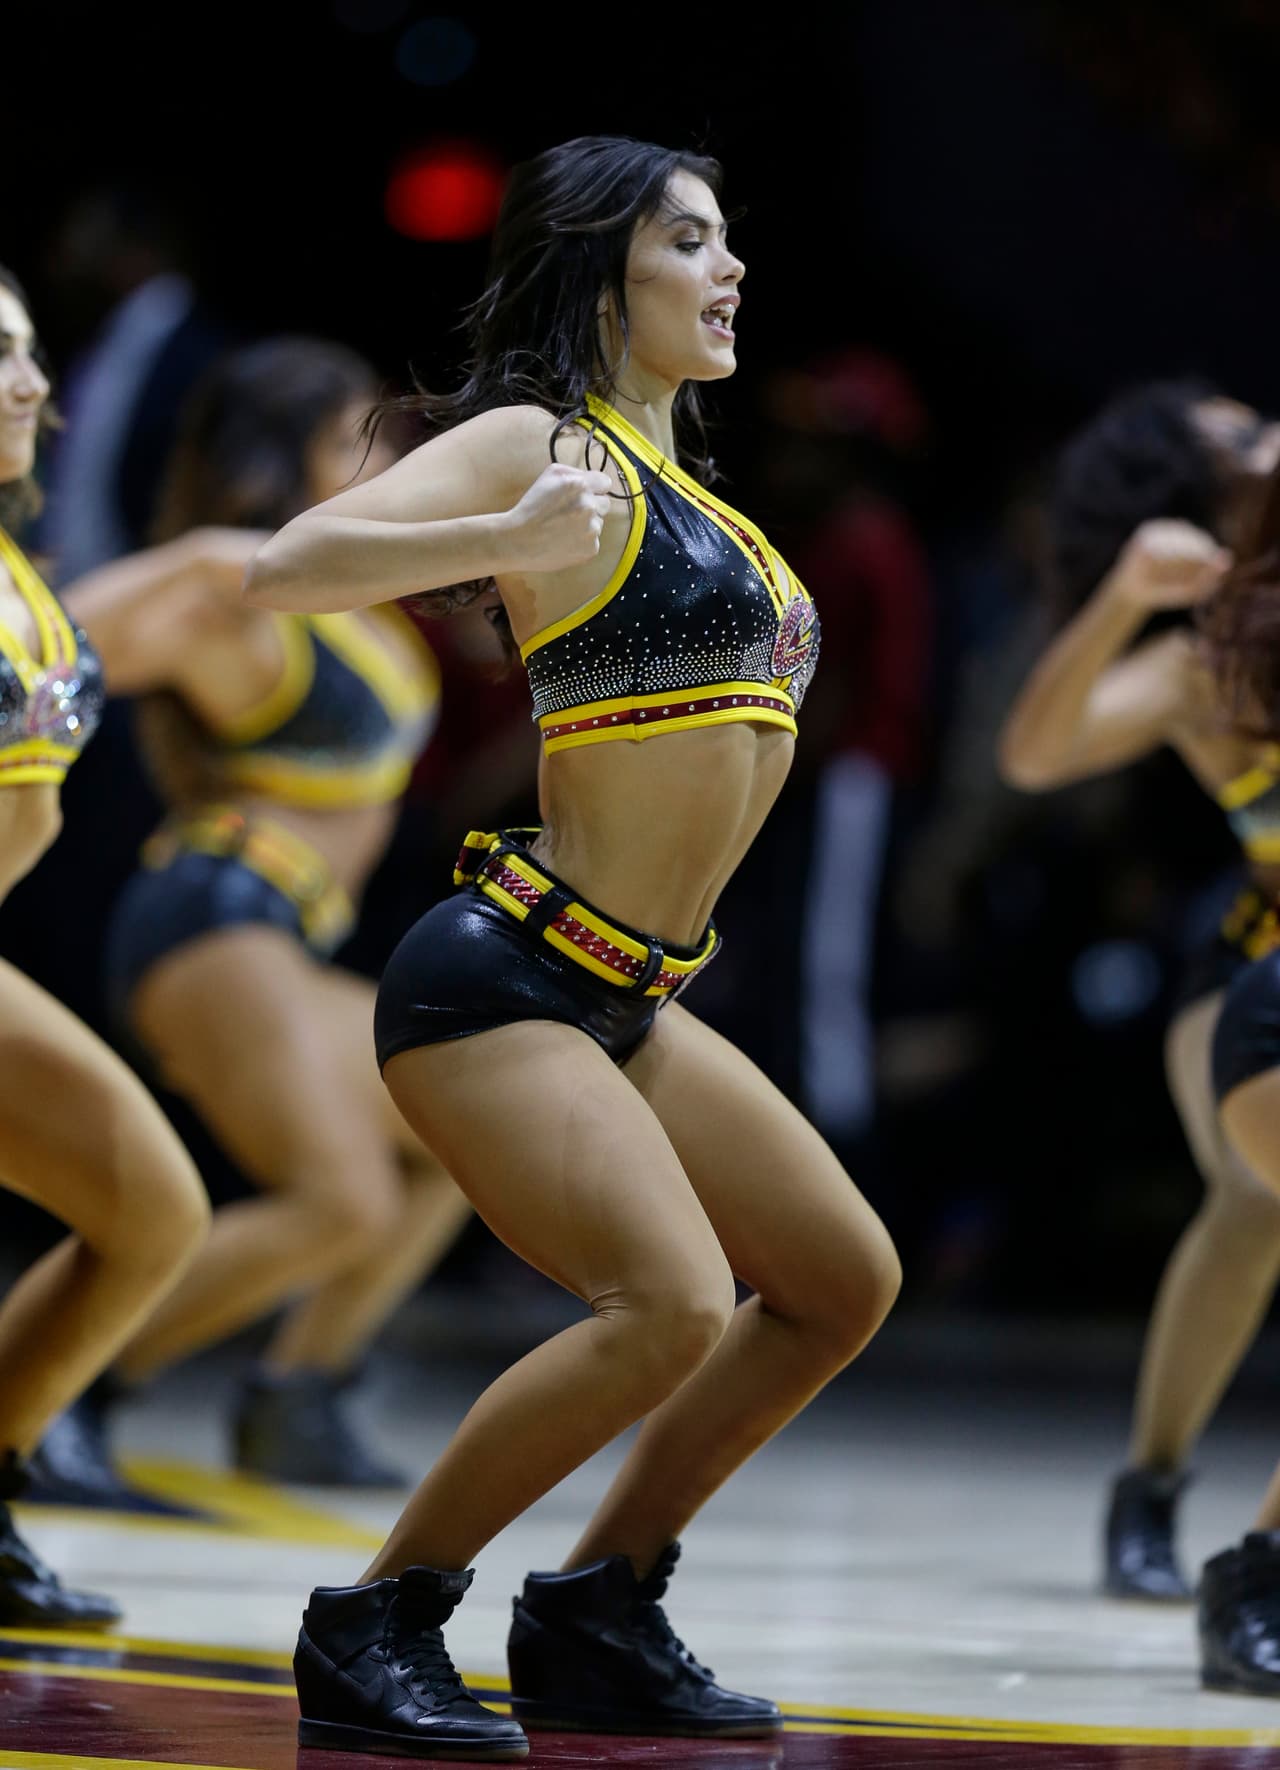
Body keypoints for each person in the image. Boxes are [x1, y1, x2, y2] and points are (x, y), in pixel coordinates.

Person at [246, 135, 902, 1760]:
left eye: (732, 237)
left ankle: (602, 1602)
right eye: (692, 239)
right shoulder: (546, 450)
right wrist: (509, 542)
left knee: (839, 1281)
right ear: (605, 264)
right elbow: (289, 565)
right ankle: (379, 1616)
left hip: (633, 997)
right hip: (504, 977)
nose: (729, 266)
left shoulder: (706, 503)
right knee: (672, 1304)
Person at [47, 338, 471, 1493]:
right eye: (349, 438)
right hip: (215, 912)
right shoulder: (234, 576)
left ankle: (299, 1392)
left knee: (464, 1134)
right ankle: (54, 1391)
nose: (377, 458)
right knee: (338, 1197)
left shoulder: (337, 593)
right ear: (281, 456)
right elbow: (41, 649)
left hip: (276, 934)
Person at [999, 416, 1280, 1692]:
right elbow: (1033, 753)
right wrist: (1122, 596)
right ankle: (1158, 1491)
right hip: (1248, 973)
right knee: (1245, 1197)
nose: (1254, 429)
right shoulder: (1207, 663)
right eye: (1234, 437)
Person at [0, 263, 209, 1621]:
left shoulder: (24, 569)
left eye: (27, 353)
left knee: (151, 1212)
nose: (32, 382)